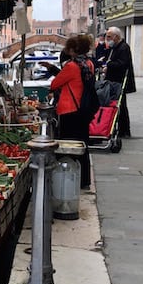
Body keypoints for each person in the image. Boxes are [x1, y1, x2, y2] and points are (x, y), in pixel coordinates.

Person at [50, 34, 93, 189]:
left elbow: (55, 84)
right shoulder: (88, 64)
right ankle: (84, 180)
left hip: (70, 110)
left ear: (74, 50)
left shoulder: (71, 66)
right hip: (83, 109)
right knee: (82, 145)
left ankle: (67, 180)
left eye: (69, 48)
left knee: (68, 147)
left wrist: (53, 72)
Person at [104, 26, 136, 138]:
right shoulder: (115, 47)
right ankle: (121, 129)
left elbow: (122, 64)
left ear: (116, 37)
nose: (107, 39)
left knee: (121, 106)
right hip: (114, 81)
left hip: (119, 81)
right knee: (118, 105)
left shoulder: (123, 48)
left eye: (109, 37)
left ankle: (125, 130)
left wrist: (108, 65)